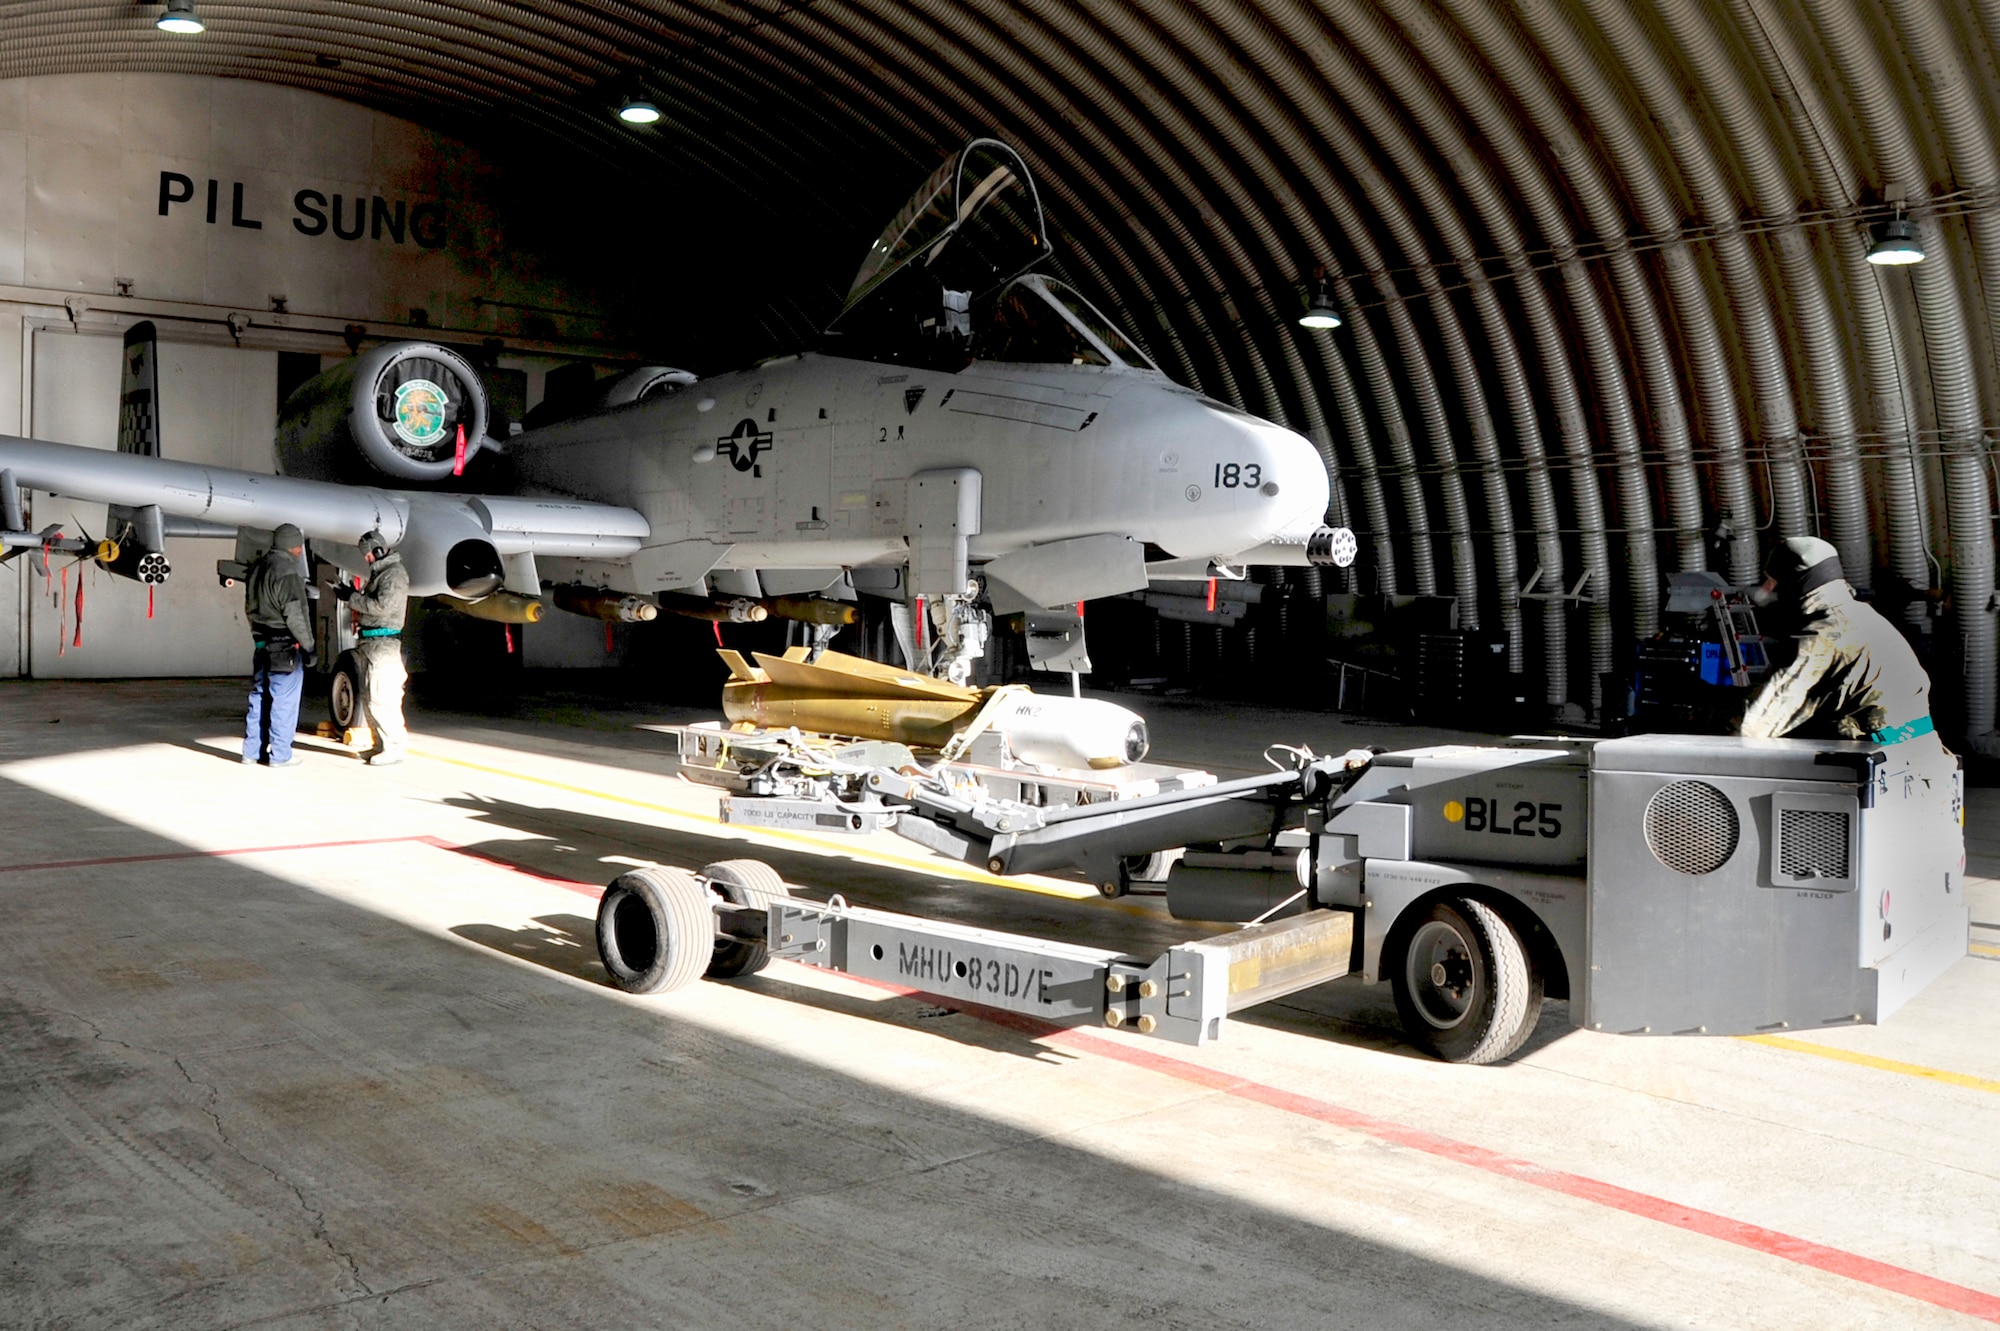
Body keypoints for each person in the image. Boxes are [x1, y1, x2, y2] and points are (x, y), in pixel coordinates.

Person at [1739, 536, 1934, 743]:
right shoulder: (1861, 616)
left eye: (1771, 581)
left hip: (1879, 760)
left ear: (1796, 582)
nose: (1765, 590)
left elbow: (1754, 724)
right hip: (1915, 756)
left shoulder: (1822, 637)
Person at [243, 523, 315, 767]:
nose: (299, 552)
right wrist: (309, 647)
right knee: (284, 699)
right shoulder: (288, 572)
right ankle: (281, 755)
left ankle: (251, 752)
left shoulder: (257, 567)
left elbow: (248, 607)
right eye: (298, 547)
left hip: (261, 642)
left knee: (259, 694)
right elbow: (295, 613)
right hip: (284, 646)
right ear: (294, 546)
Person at [337, 528, 410, 766]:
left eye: (368, 555)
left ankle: (394, 747)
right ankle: (380, 745)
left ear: (378, 550)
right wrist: (351, 596)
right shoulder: (382, 574)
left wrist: (352, 598)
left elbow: (382, 607)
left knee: (383, 698)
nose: (366, 559)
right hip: (372, 643)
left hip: (384, 645)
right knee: (370, 698)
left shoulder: (394, 575)